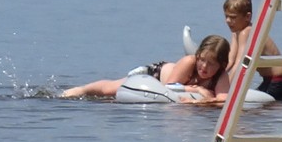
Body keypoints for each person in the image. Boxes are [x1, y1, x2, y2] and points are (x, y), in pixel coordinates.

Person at [61, 34, 232, 101]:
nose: (204, 66)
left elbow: (223, 99)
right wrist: (196, 90)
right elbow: (169, 87)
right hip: (156, 76)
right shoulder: (189, 62)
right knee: (110, 90)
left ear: (221, 65)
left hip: (170, 87)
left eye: (211, 64)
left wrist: (202, 102)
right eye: (202, 60)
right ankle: (78, 90)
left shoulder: (220, 75)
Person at [221, 0, 282, 101]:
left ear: (247, 17)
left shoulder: (247, 32)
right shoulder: (237, 32)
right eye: (226, 16)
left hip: (278, 83)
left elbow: (240, 63)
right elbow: (230, 60)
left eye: (233, 17)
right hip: (268, 81)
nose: (228, 21)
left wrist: (225, 89)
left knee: (246, 112)